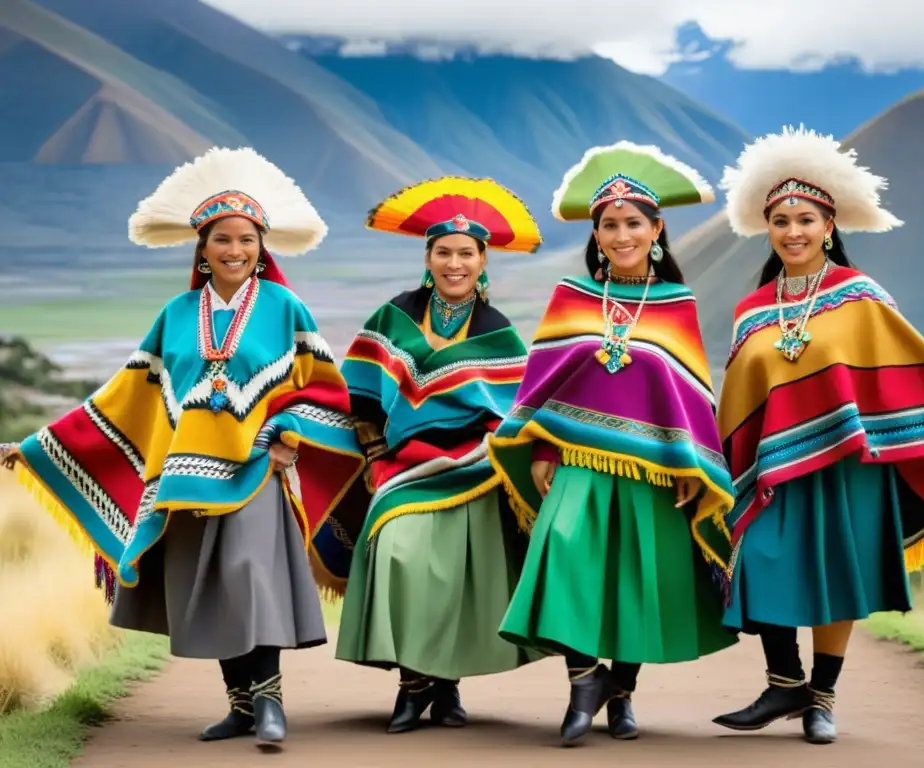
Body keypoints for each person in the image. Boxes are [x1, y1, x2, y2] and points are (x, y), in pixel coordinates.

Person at [0, 147, 366, 750]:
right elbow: (123, 397)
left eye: (247, 240)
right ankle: (240, 706)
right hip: (184, 477)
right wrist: (39, 445)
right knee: (207, 587)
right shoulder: (174, 316)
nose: (235, 251)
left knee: (251, 578)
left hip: (255, 473)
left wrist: (286, 438)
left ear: (261, 246)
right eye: (223, 239)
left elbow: (323, 390)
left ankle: (271, 702)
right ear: (202, 247)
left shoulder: (285, 308)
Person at [710, 125, 924, 744]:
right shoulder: (752, 309)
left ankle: (821, 699)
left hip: (849, 462)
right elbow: (742, 394)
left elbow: (912, 369)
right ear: (767, 229)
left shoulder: (861, 297)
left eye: (805, 219)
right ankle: (784, 682)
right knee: (764, 560)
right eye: (780, 220)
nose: (793, 231)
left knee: (835, 577)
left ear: (828, 226)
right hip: (775, 465)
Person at [486, 140, 739, 746]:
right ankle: (583, 682)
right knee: (565, 553)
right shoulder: (571, 297)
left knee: (639, 578)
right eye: (609, 225)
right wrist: (543, 449)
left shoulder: (676, 304)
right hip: (577, 462)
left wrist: (690, 465)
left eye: (632, 223)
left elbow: (688, 395)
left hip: (653, 469)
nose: (621, 234)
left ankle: (621, 693)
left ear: (657, 229)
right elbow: (543, 382)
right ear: (595, 234)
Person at [313, 176, 545, 734]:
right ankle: (412, 685)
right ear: (428, 256)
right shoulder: (393, 316)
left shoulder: (500, 332)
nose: (455, 263)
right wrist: (370, 452)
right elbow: (360, 394)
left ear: (483, 261)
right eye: (444, 252)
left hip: (472, 470)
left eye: (467, 253)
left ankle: (444, 688)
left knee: (452, 578)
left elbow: (515, 411)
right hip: (399, 467)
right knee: (398, 553)